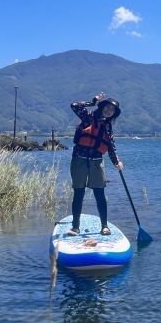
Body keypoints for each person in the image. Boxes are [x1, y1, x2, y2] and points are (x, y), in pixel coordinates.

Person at [67, 92, 123, 237]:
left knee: (99, 193)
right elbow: (74, 106)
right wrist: (93, 102)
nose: (109, 110)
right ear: (102, 106)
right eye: (107, 107)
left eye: (112, 110)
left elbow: (110, 146)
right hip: (79, 159)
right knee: (79, 192)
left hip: (97, 161)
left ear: (114, 114)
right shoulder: (88, 117)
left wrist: (116, 162)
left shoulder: (108, 127)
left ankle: (104, 226)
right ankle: (75, 227)